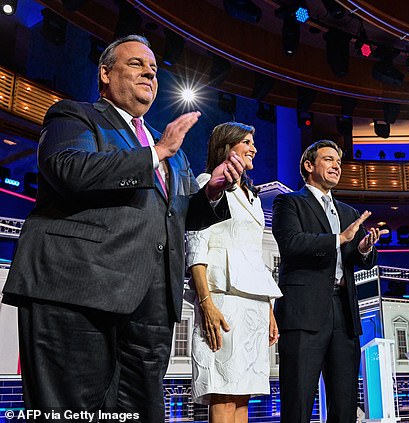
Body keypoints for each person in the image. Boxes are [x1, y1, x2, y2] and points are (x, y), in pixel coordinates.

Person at [1, 35, 245, 420]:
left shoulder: (171, 151)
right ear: (104, 73)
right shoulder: (74, 116)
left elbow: (177, 215)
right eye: (136, 64)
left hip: (150, 307)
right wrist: (155, 154)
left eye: (153, 68)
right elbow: (68, 170)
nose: (149, 71)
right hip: (77, 292)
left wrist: (212, 191)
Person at [272, 140, 386, 423]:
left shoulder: (348, 213)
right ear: (309, 166)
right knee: (298, 401)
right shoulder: (289, 202)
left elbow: (360, 260)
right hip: (304, 312)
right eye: (329, 159)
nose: (337, 165)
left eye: (339, 161)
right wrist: (340, 239)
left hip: (344, 311)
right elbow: (291, 244)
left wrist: (364, 248)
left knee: (345, 403)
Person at [185, 122, 282, 422]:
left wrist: (269, 311)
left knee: (243, 396)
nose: (254, 148)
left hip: (253, 306)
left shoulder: (252, 196)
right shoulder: (208, 182)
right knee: (224, 394)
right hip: (222, 300)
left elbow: (254, 256)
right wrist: (206, 304)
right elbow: (196, 245)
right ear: (227, 147)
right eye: (247, 142)